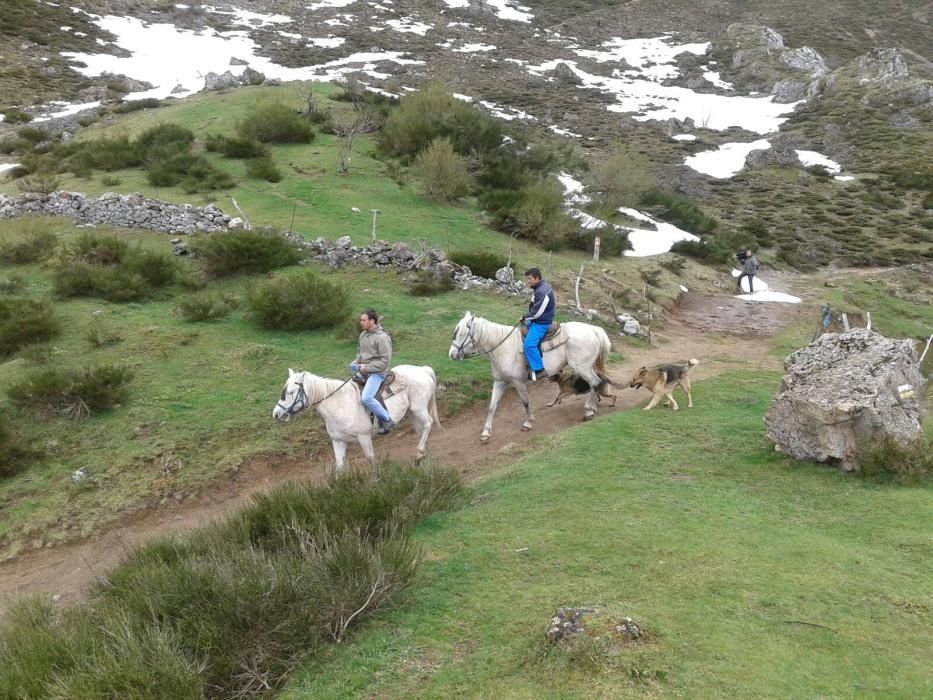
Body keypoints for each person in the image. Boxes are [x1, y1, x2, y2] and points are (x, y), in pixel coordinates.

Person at [350, 309, 395, 434]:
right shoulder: (363, 335)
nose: (361, 322)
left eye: (363, 320)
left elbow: (385, 361)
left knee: (366, 397)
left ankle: (386, 419)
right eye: (361, 320)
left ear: (372, 321)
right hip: (364, 370)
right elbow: (360, 352)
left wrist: (367, 367)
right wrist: (357, 361)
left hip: (378, 372)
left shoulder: (382, 338)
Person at [521, 267, 556, 382]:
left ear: (536, 278)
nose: (528, 281)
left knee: (529, 345)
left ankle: (539, 370)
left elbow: (537, 312)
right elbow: (534, 306)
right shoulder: (539, 287)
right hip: (537, 319)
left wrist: (525, 317)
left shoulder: (542, 291)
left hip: (542, 323)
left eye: (529, 279)